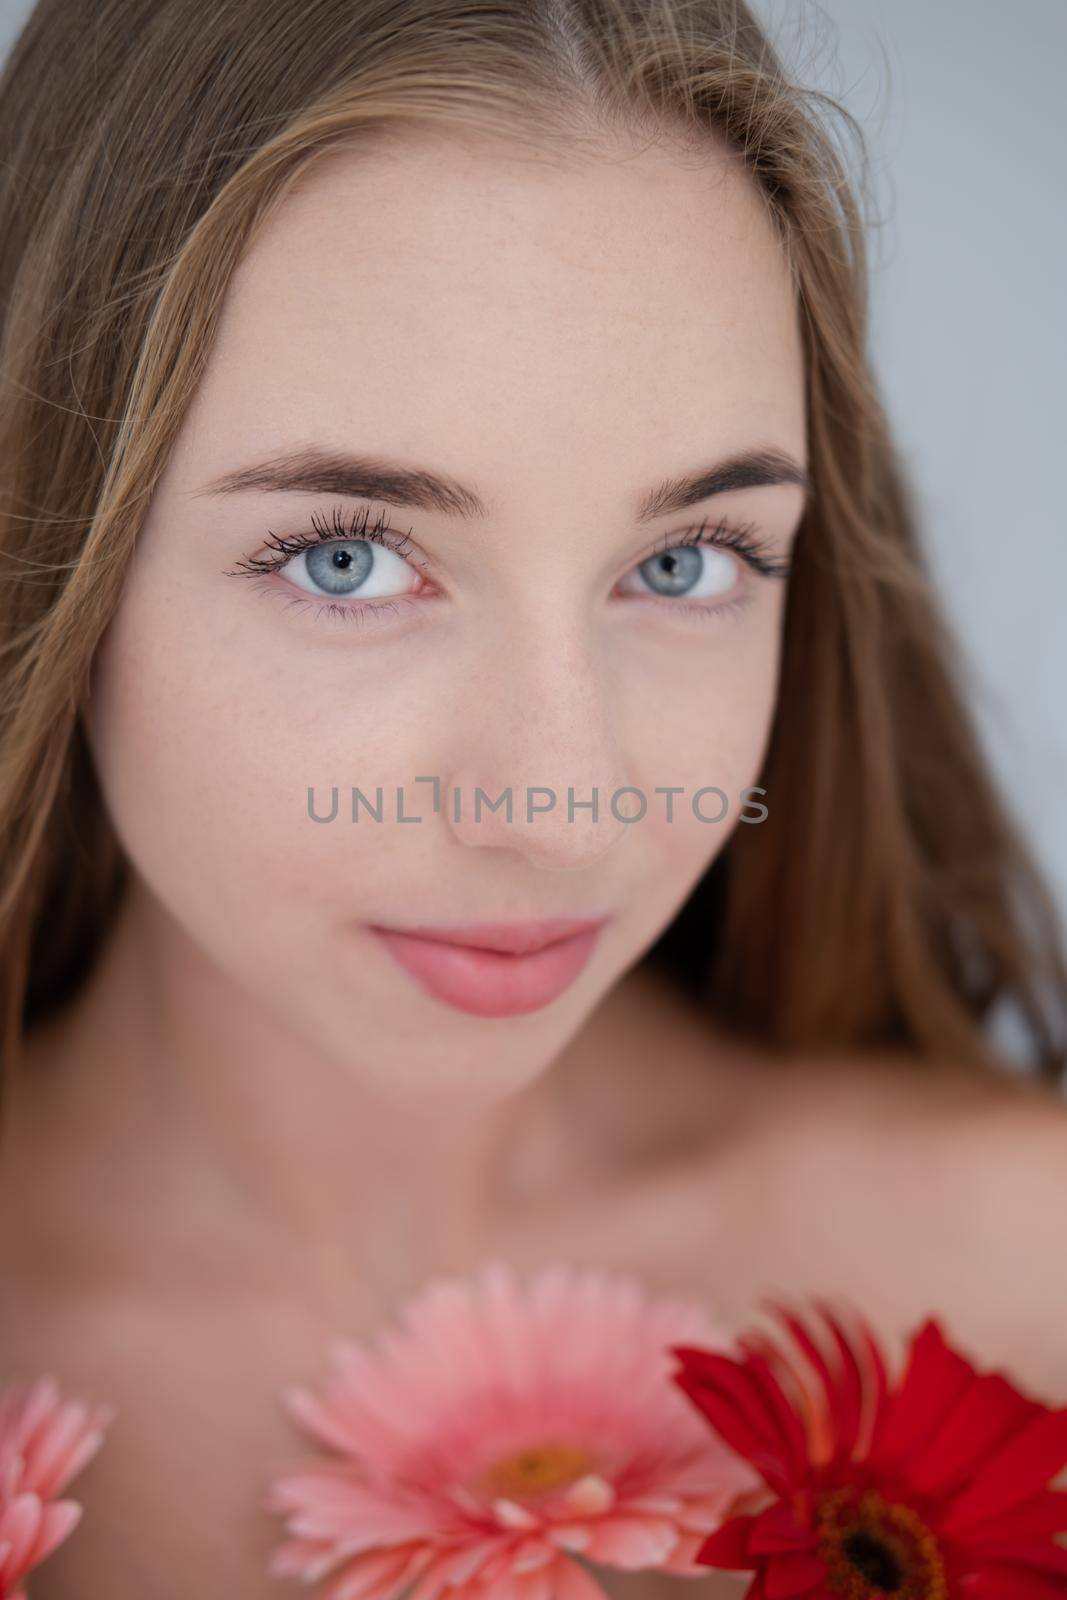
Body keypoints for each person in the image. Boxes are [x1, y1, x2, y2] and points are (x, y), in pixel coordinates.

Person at [1, 0, 1066, 1593]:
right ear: (48, 542)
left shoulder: (1021, 1274)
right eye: (348, 561)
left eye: (685, 562)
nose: (564, 810)